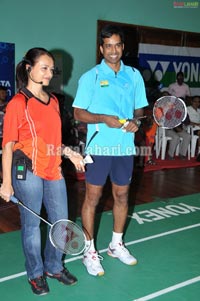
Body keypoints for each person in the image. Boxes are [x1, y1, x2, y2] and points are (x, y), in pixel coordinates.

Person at [0, 48, 85, 295]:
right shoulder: (19, 102)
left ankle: (54, 267)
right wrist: (6, 182)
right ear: (29, 69)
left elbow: (52, 140)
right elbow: (7, 145)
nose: (50, 73)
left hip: (52, 168)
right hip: (25, 168)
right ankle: (36, 274)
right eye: (44, 68)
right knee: (32, 224)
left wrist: (70, 153)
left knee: (61, 222)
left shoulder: (55, 101)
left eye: (52, 69)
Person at [73, 24, 148, 276]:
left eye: (117, 45)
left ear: (122, 47)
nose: (113, 50)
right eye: (108, 46)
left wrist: (138, 121)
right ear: (101, 48)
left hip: (124, 148)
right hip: (99, 146)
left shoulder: (134, 76)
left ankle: (116, 245)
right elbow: (78, 112)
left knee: (122, 196)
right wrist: (103, 118)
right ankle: (89, 250)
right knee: (92, 198)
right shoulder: (90, 76)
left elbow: (139, 110)